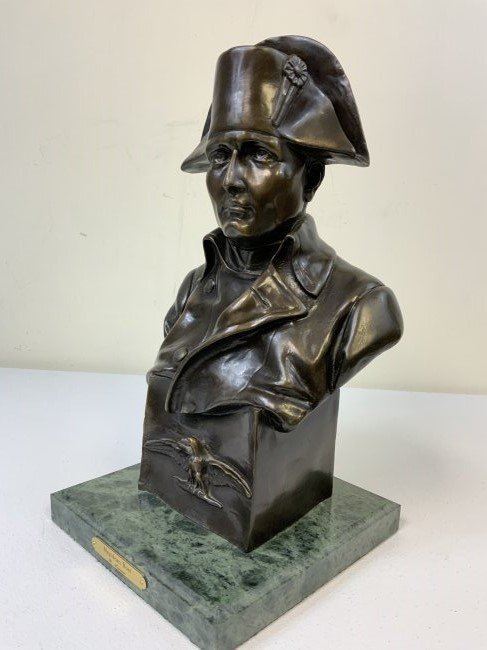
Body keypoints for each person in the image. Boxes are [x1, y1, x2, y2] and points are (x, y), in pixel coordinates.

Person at [139, 36, 403, 550]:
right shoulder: (193, 290)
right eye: (220, 156)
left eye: (259, 155)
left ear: (311, 178)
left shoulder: (359, 305)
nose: (231, 180)